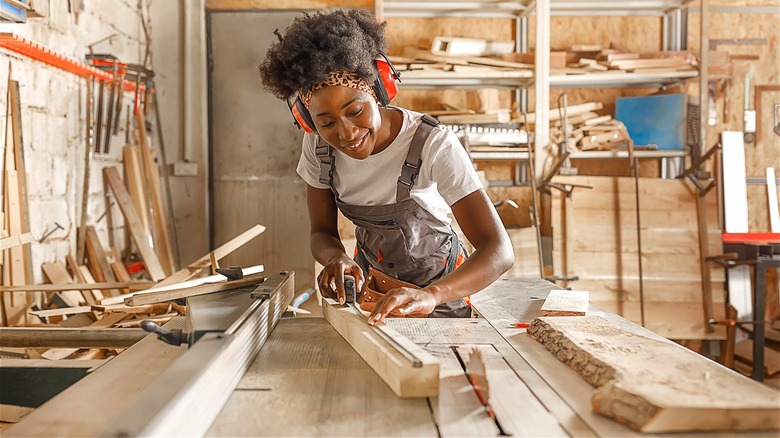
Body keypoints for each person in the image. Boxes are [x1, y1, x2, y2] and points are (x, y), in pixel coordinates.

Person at [258, 9, 514, 325]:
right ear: (308, 120)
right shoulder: (319, 148)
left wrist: (432, 295)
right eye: (326, 122)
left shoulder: (432, 144)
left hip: (443, 294)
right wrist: (335, 259)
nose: (346, 134)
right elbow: (321, 232)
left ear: (379, 90)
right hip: (372, 289)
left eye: (355, 112)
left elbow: (499, 250)